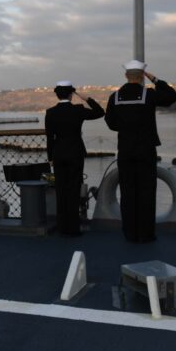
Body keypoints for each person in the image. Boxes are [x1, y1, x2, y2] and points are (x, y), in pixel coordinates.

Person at [103, 60, 176, 243]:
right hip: (145, 149)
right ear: (142, 76)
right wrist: (155, 79)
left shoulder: (115, 97)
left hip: (126, 150)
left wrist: (125, 127)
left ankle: (130, 233)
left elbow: (110, 122)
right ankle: (146, 234)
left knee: (127, 192)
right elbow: (171, 96)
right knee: (146, 191)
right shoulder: (149, 94)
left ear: (126, 76)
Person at [44, 80, 104, 236]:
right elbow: (100, 112)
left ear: (57, 94)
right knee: (73, 190)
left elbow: (50, 138)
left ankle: (62, 227)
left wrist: (50, 157)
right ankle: (73, 228)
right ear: (71, 94)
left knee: (61, 191)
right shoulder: (78, 110)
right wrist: (85, 98)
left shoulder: (50, 112)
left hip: (58, 154)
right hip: (75, 153)